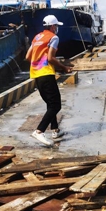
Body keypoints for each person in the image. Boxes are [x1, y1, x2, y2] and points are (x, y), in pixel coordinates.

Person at [25, 15, 72, 146]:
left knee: (50, 103)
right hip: (46, 74)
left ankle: (55, 130)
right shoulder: (54, 37)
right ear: (52, 26)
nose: (57, 28)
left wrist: (39, 64)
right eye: (56, 26)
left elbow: (28, 56)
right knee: (56, 105)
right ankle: (39, 131)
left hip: (36, 74)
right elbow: (51, 58)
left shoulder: (37, 37)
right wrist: (64, 67)